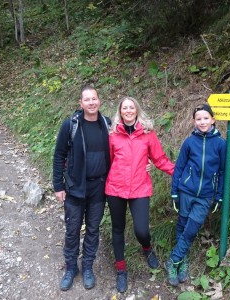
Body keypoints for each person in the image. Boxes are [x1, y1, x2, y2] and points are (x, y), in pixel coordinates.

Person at [105, 96, 174, 293]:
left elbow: (160, 159)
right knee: (117, 229)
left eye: (131, 107)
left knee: (142, 230)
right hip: (115, 189)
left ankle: (146, 248)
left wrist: (178, 173)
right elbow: (108, 162)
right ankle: (121, 269)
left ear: (137, 110)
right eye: (124, 108)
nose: (128, 110)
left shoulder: (147, 134)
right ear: (120, 111)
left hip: (139, 188)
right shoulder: (112, 135)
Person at [52, 84, 111, 291]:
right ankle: (70, 268)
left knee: (93, 229)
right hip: (75, 187)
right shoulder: (71, 125)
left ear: (99, 100)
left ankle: (87, 267)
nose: (91, 102)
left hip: (98, 187)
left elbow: (125, 149)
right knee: (72, 229)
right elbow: (59, 155)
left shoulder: (107, 124)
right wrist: (58, 185)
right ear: (81, 103)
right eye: (87, 99)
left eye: (94, 98)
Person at [165, 103, 226, 286]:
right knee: (183, 224)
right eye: (198, 119)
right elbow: (179, 168)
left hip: (206, 195)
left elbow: (222, 171)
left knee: (192, 228)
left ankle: (173, 259)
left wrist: (219, 194)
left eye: (206, 118)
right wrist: (174, 191)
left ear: (213, 120)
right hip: (186, 191)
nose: (202, 122)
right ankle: (182, 262)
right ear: (193, 121)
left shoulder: (221, 144)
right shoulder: (189, 142)